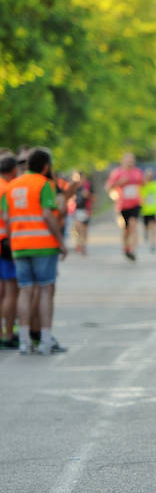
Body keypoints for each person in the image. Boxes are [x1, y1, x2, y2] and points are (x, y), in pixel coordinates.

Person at [0, 148, 67, 355]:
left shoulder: (12, 186)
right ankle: (46, 340)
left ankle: (24, 341)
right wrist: (60, 242)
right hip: (43, 245)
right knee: (45, 290)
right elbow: (48, 214)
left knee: (25, 290)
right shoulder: (43, 184)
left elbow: (6, 216)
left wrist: (12, 239)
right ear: (46, 166)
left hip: (19, 246)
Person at [105, 153, 144, 260]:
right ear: (123, 161)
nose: (130, 162)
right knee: (126, 229)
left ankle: (132, 249)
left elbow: (143, 184)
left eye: (132, 160)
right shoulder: (117, 172)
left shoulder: (138, 172)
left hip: (135, 203)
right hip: (122, 205)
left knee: (133, 225)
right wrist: (119, 183)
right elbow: (108, 187)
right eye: (128, 160)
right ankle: (126, 247)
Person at [0, 154, 19, 349]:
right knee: (9, 290)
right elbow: (8, 219)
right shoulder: (7, 189)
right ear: (13, 170)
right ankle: (7, 333)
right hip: (4, 244)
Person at [68, 171, 93, 255]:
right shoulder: (72, 187)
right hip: (75, 210)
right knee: (77, 227)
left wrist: (88, 195)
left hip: (85, 210)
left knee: (84, 229)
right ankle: (79, 243)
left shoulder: (88, 186)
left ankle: (82, 244)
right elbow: (66, 197)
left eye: (81, 178)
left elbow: (94, 197)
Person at [140, 169, 156, 253]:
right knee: (146, 227)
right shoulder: (142, 186)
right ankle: (146, 233)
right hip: (145, 211)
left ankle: (153, 244)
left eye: (151, 175)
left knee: (153, 228)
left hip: (155, 210)